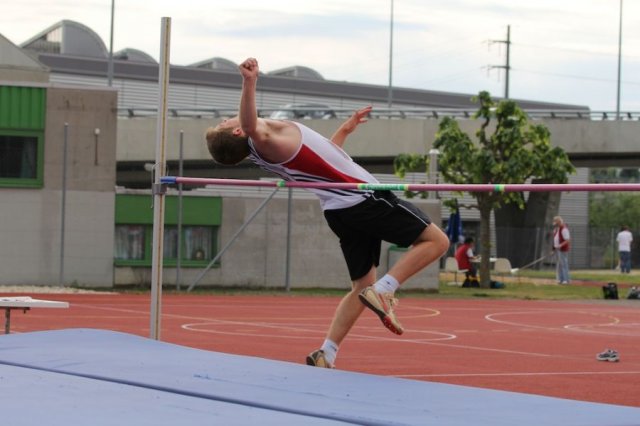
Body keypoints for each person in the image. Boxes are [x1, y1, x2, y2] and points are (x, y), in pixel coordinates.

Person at [205, 57, 450, 368]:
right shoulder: (263, 141)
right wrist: (249, 81)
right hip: (363, 199)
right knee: (437, 242)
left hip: (340, 210)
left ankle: (326, 353)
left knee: (361, 288)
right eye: (225, 123)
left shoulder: (273, 141)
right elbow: (251, 123)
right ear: (240, 132)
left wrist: (344, 131)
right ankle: (386, 290)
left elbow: (323, 159)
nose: (226, 118)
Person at [552, 216, 571, 284]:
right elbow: (556, 240)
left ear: (559, 222)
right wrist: (553, 248)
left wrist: (560, 245)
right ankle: (561, 279)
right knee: (560, 265)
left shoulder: (564, 229)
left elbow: (567, 240)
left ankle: (566, 279)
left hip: (563, 249)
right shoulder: (557, 229)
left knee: (564, 264)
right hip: (558, 249)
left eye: (556, 223)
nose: (555, 225)